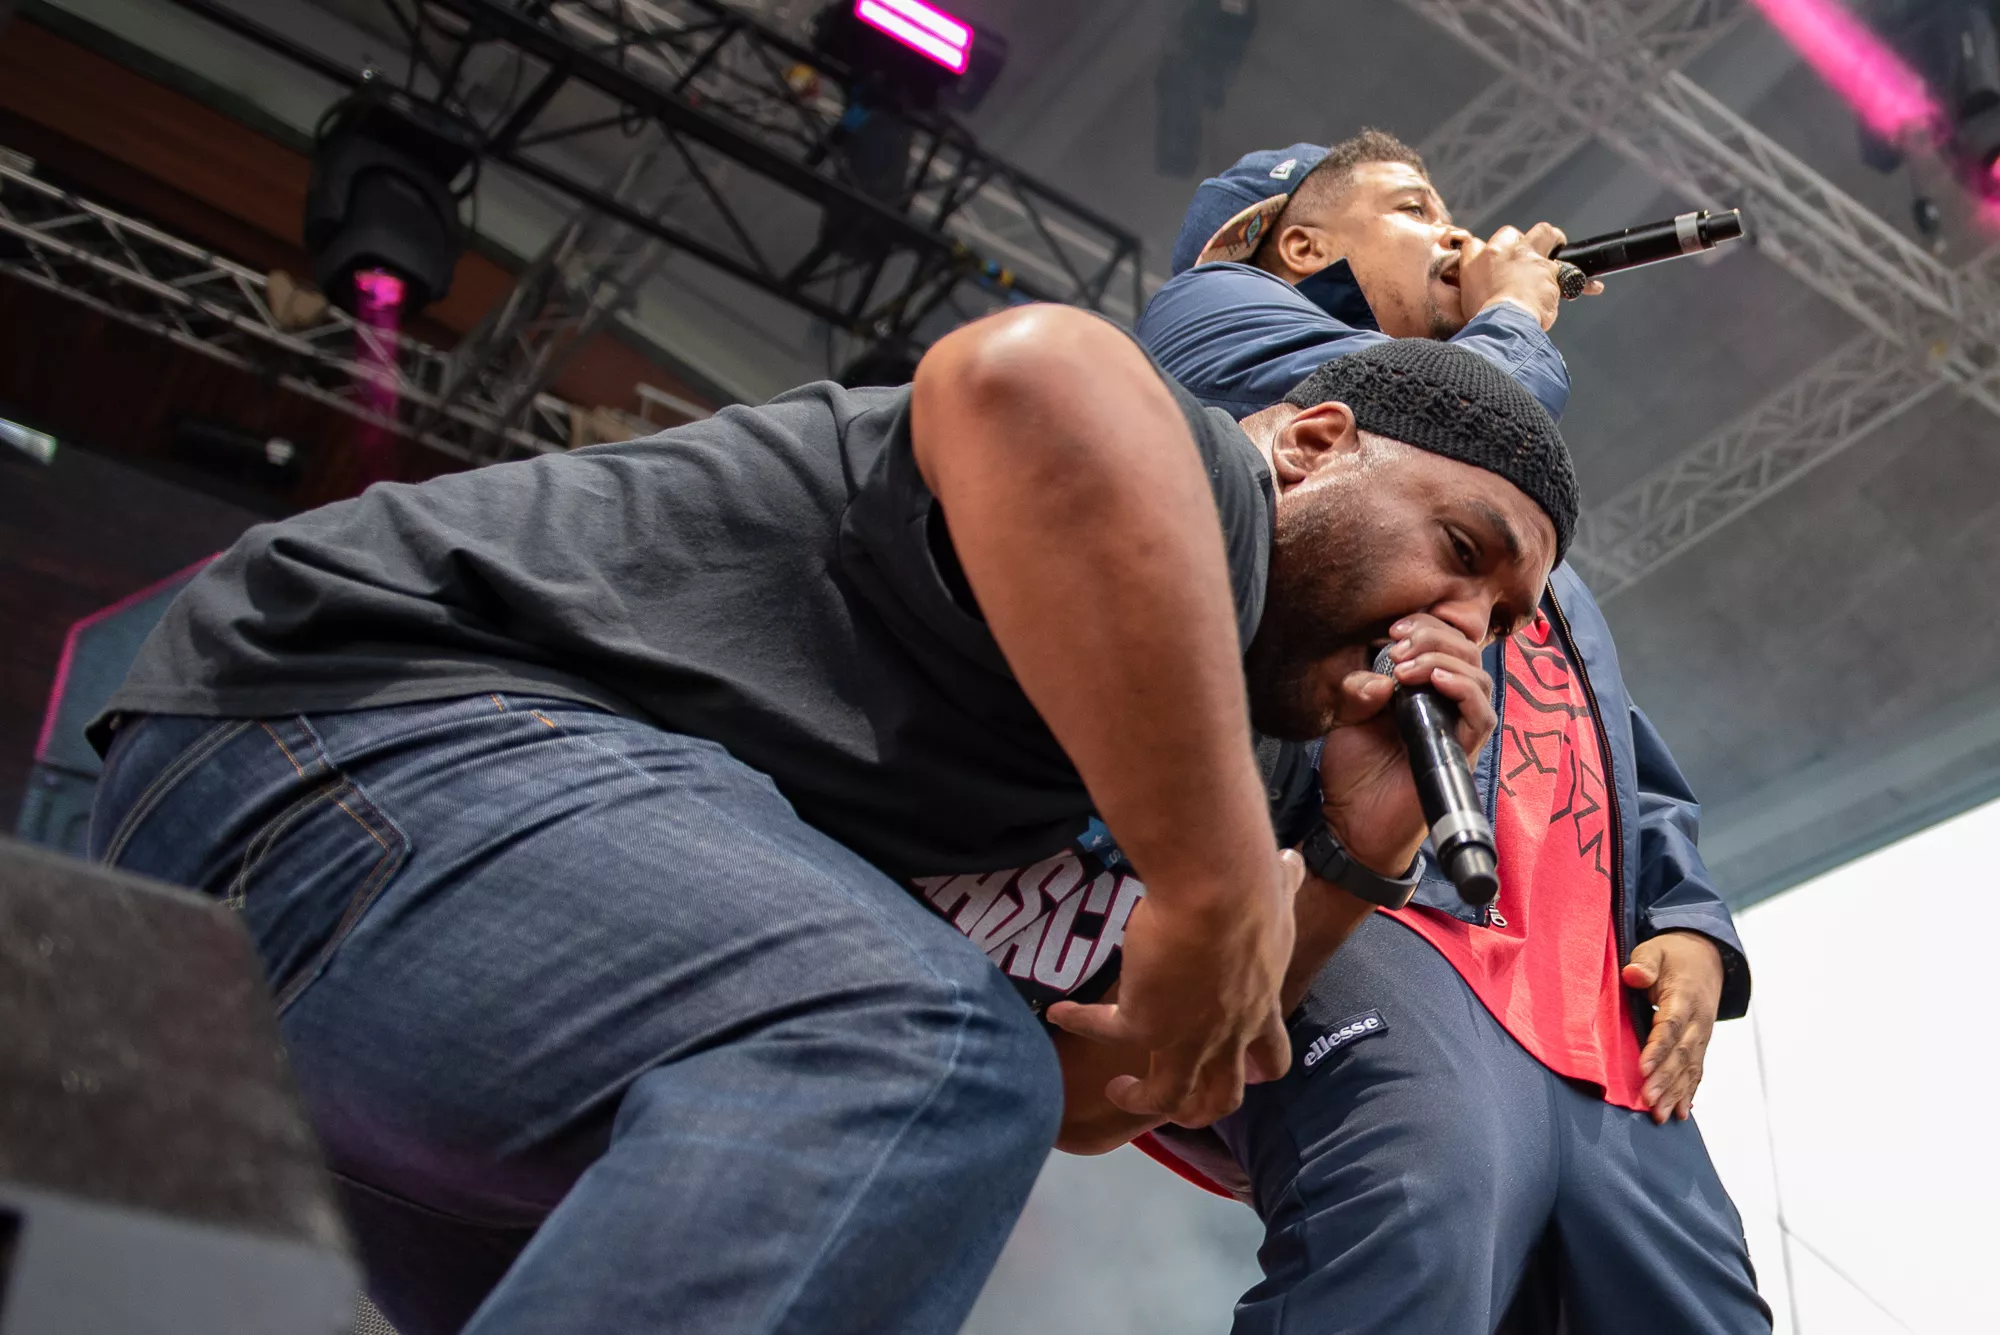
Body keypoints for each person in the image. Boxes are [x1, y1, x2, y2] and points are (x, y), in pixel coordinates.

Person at [86, 305, 1528, 1335]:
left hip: (414, 1052)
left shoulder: (1253, 777)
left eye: (1507, 616)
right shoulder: (1209, 502)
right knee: (928, 1051)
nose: (1466, 623)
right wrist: (1214, 887)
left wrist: (1355, 854)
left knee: (866, 1201)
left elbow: (1088, 1096)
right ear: (1312, 441)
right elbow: (1029, 375)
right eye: (1460, 549)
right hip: (346, 738)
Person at [1108, 133, 1772, 1334]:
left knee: (1694, 1309)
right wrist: (1512, 313)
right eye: (1415, 208)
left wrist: (1685, 921)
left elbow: (1614, 747)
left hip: (1577, 977)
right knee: (1415, 1235)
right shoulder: (1212, 321)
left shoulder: (1519, 546)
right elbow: (1448, 422)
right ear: (1293, 242)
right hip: (1370, 900)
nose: (1459, 237)